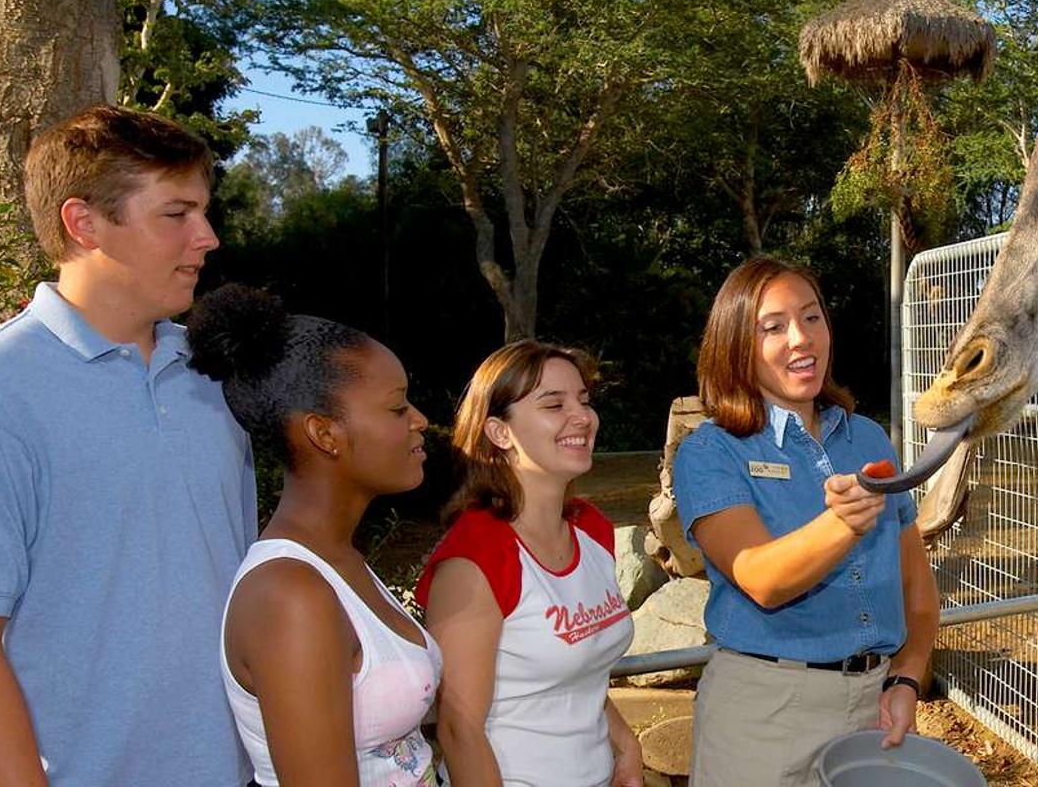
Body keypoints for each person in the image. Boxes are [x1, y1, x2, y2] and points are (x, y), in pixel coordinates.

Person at [0, 106, 255, 785]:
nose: (207, 237)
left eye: (204, 213)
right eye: (176, 214)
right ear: (84, 223)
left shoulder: (214, 380)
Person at [673, 256, 940, 786]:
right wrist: (843, 524)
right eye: (773, 327)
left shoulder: (865, 437)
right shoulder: (709, 452)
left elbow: (918, 590)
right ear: (736, 346)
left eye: (812, 317)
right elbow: (763, 579)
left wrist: (906, 680)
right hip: (763, 715)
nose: (801, 338)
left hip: (874, 709)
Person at [188, 284, 442, 786]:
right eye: (397, 408)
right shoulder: (290, 594)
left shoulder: (338, 558)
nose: (420, 421)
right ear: (324, 434)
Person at [418, 341, 644, 787]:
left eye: (583, 400)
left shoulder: (591, 530)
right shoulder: (476, 555)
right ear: (500, 433)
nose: (581, 416)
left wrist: (626, 746)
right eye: (554, 404)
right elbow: (459, 730)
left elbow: (578, 672)